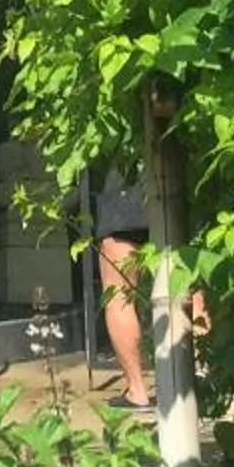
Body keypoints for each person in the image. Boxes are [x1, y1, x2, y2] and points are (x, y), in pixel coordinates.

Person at [88, 173, 157, 414]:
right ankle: (201, 381)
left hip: (126, 192)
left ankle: (137, 391)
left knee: (119, 293)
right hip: (180, 176)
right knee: (190, 284)